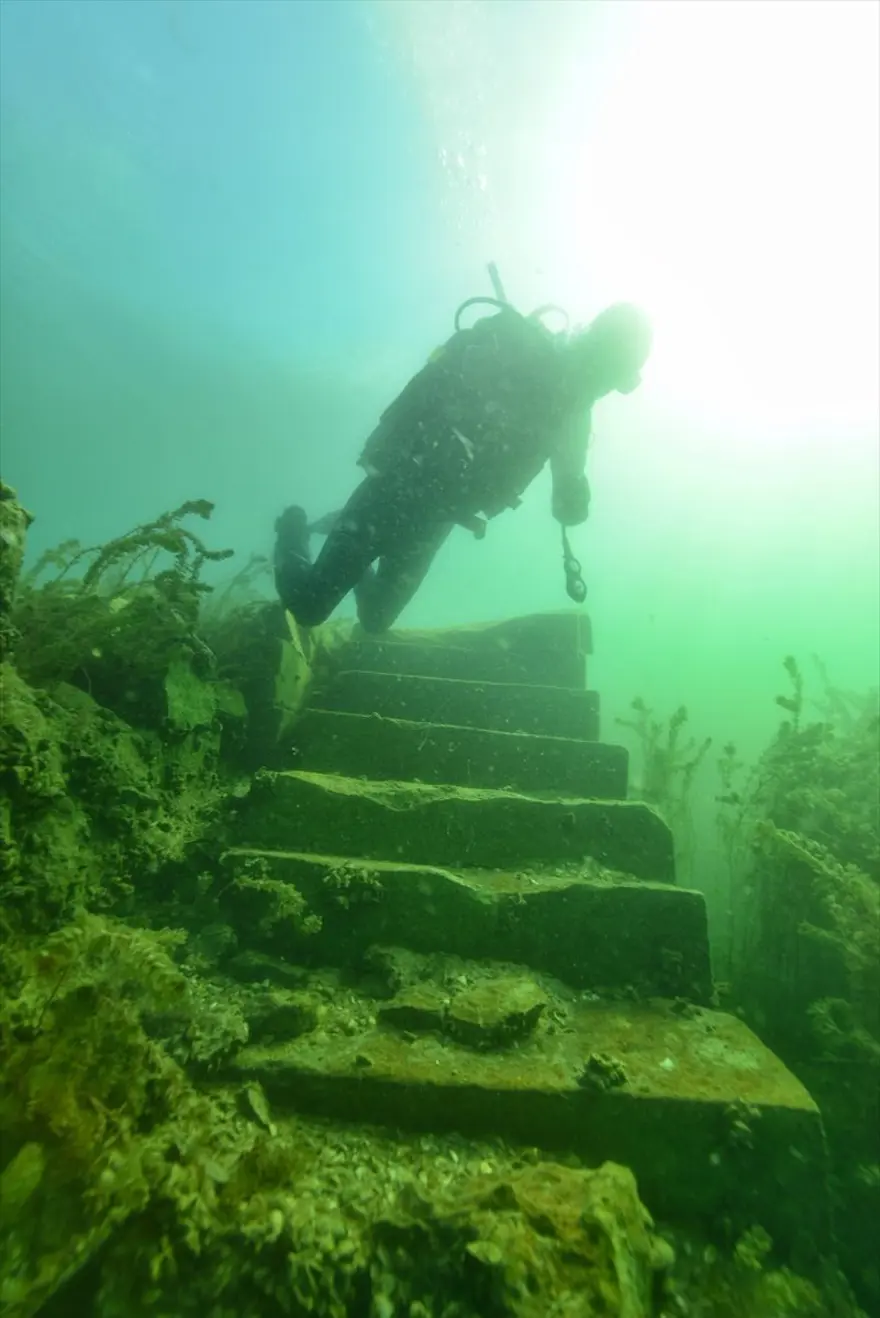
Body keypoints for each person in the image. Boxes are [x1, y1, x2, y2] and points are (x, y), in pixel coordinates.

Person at [273, 293, 651, 634]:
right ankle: (293, 527)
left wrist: (572, 496)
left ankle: (345, 533)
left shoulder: (574, 413)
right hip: (392, 488)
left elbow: (568, 490)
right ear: (599, 348)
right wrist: (393, 452)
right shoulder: (519, 353)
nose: (608, 389)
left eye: (621, 382)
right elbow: (434, 387)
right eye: (615, 375)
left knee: (375, 619)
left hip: (436, 518)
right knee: (310, 608)